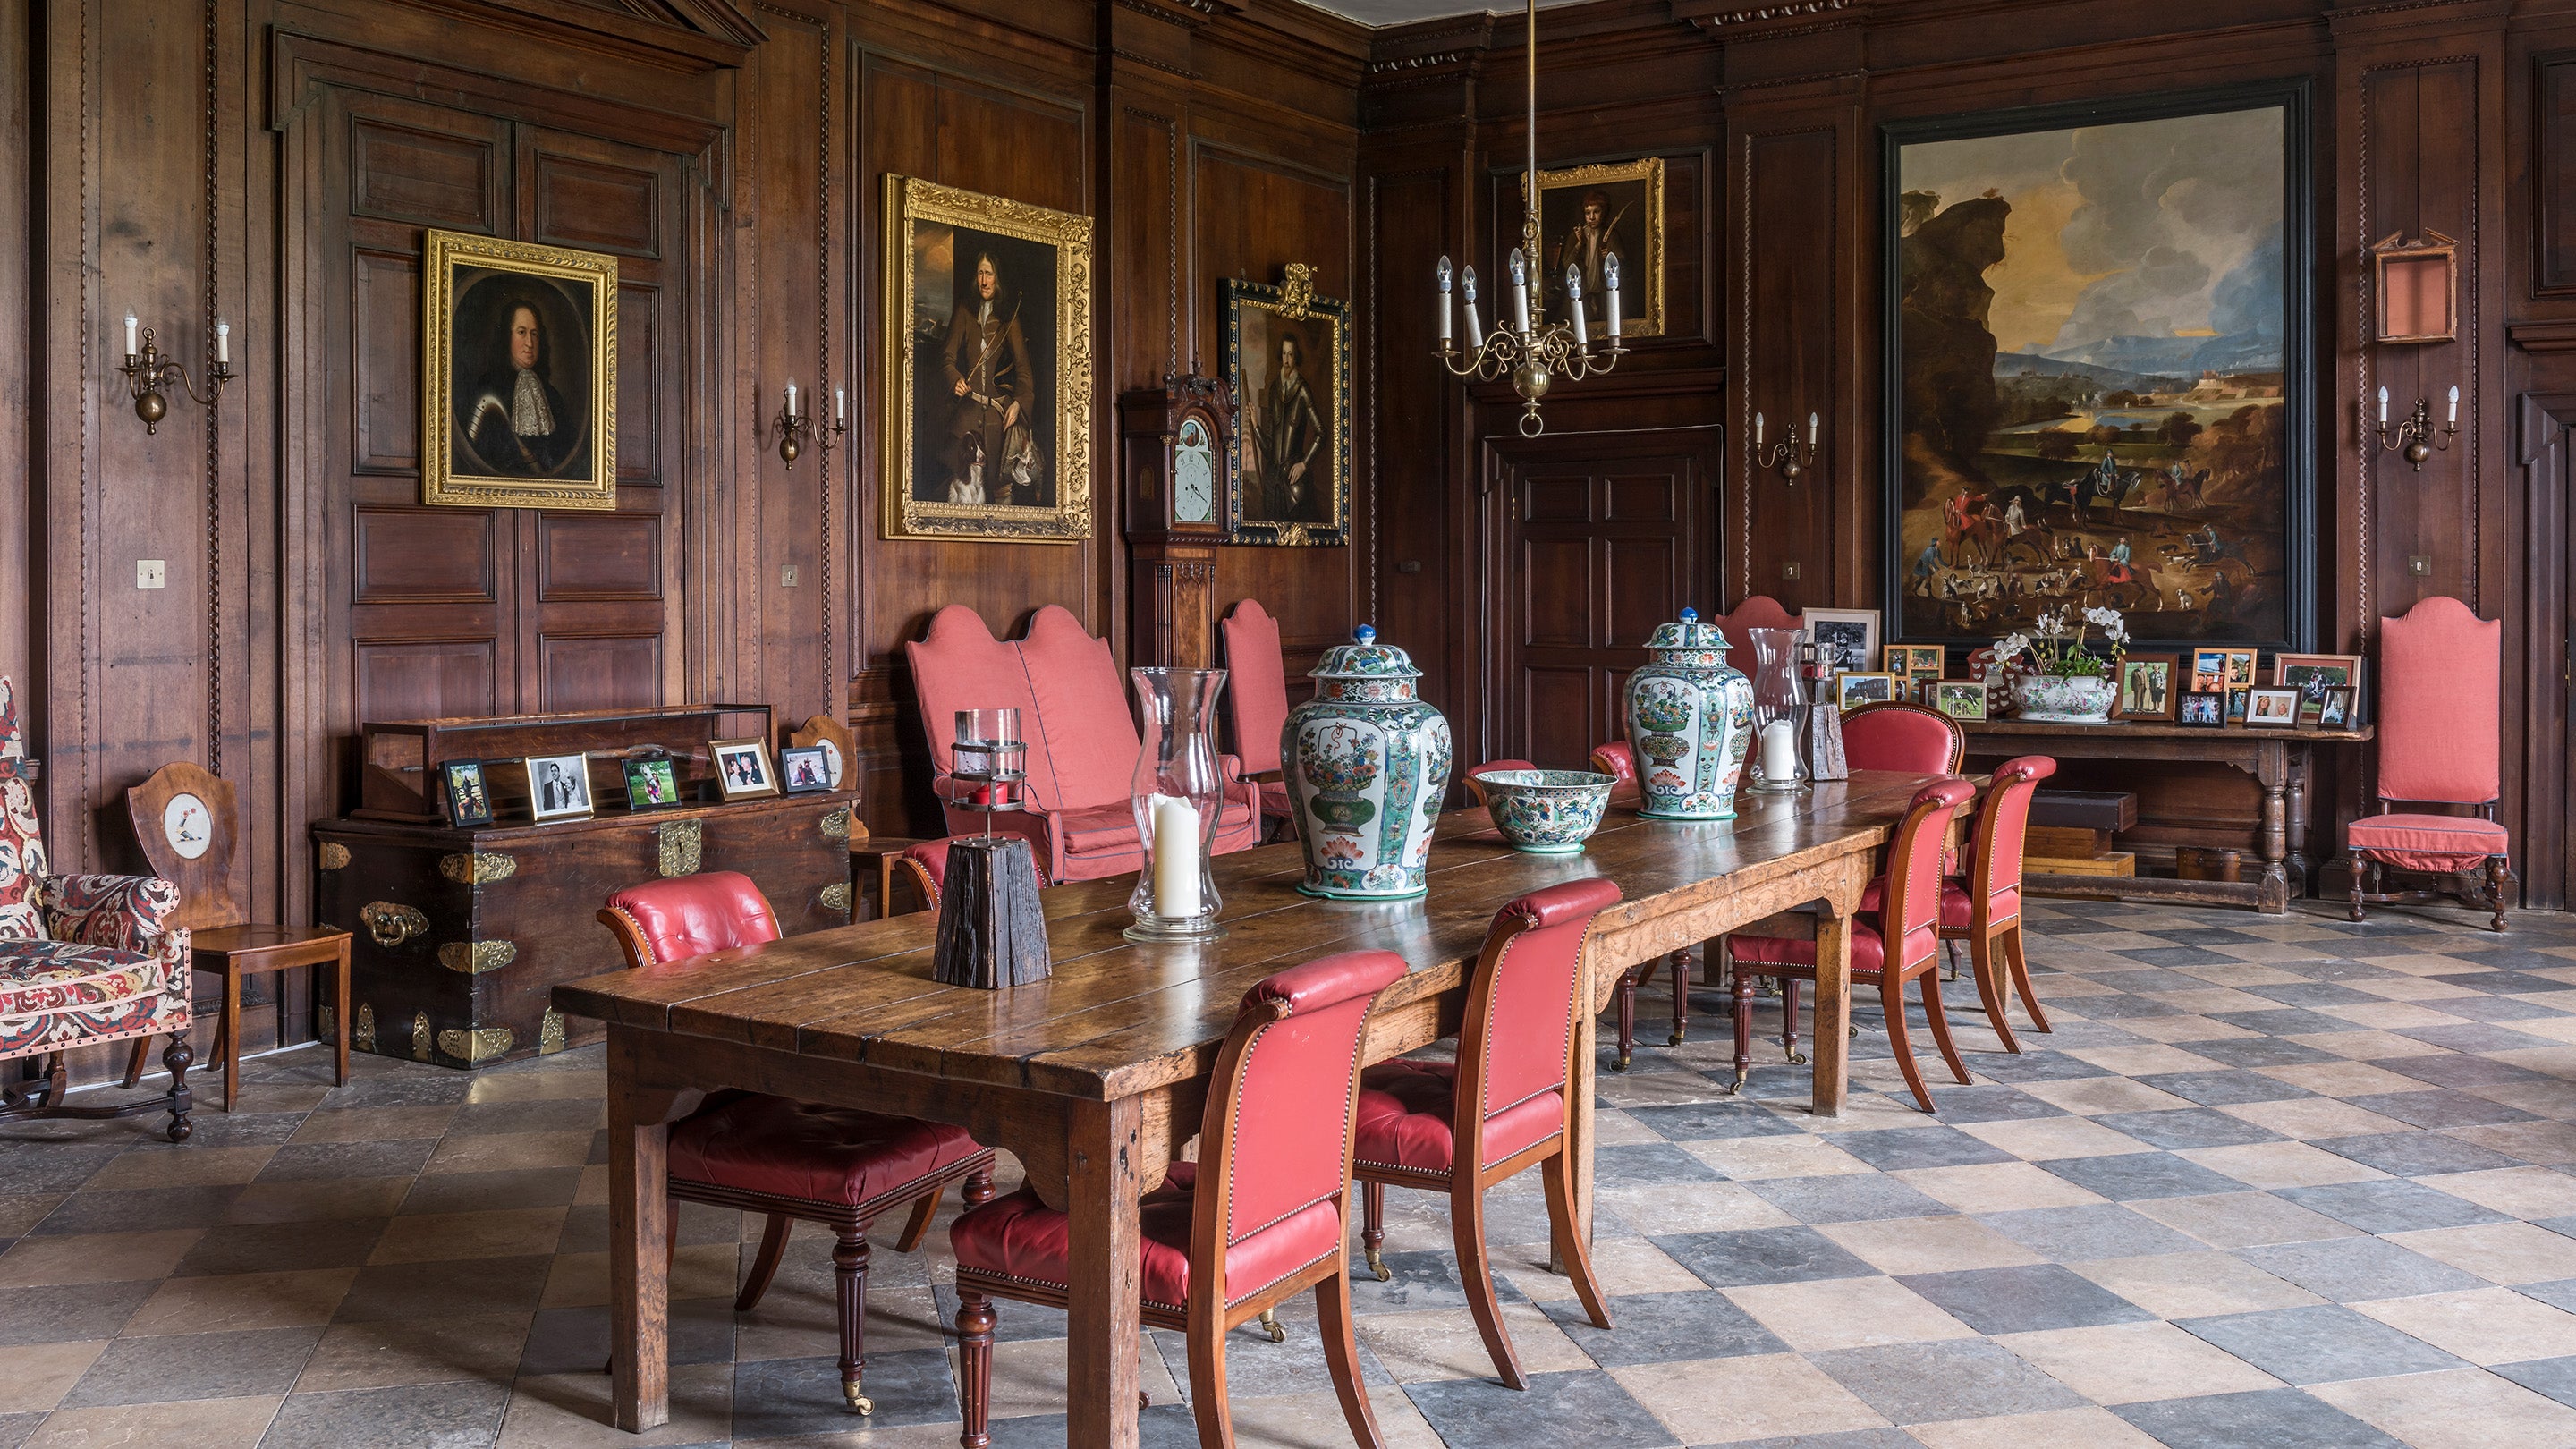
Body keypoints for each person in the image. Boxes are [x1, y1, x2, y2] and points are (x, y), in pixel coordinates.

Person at [941, 252, 1037, 506]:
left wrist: (1018, 403)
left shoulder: (1009, 319)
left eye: (989, 274)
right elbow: (948, 358)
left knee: (999, 486)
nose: (984, 281)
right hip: (967, 412)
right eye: (980, 273)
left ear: (997, 279)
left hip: (997, 416)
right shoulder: (964, 312)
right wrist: (956, 379)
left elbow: (1024, 370)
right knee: (959, 482)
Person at [462, 296, 579, 476]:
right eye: (522, 332)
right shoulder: (487, 388)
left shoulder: (552, 396)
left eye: (534, 334)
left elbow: (565, 452)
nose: (529, 344)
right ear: (507, 337)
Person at [1248, 331, 1325, 521]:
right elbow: (1270, 450)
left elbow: (1322, 433)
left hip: (1293, 485)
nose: (1287, 359)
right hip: (1273, 487)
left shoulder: (1303, 390)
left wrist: (1304, 464)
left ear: (1296, 356)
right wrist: (1256, 425)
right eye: (1284, 353)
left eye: (1291, 354)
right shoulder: (1274, 389)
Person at [1551, 189, 1623, 327]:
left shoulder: (1611, 236)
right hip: (1581, 293)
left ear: (1604, 212)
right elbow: (1567, 265)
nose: (1591, 217)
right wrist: (1579, 244)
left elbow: (1624, 268)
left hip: (1603, 294)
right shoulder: (1577, 235)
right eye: (1587, 213)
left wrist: (1609, 258)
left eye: (1596, 212)